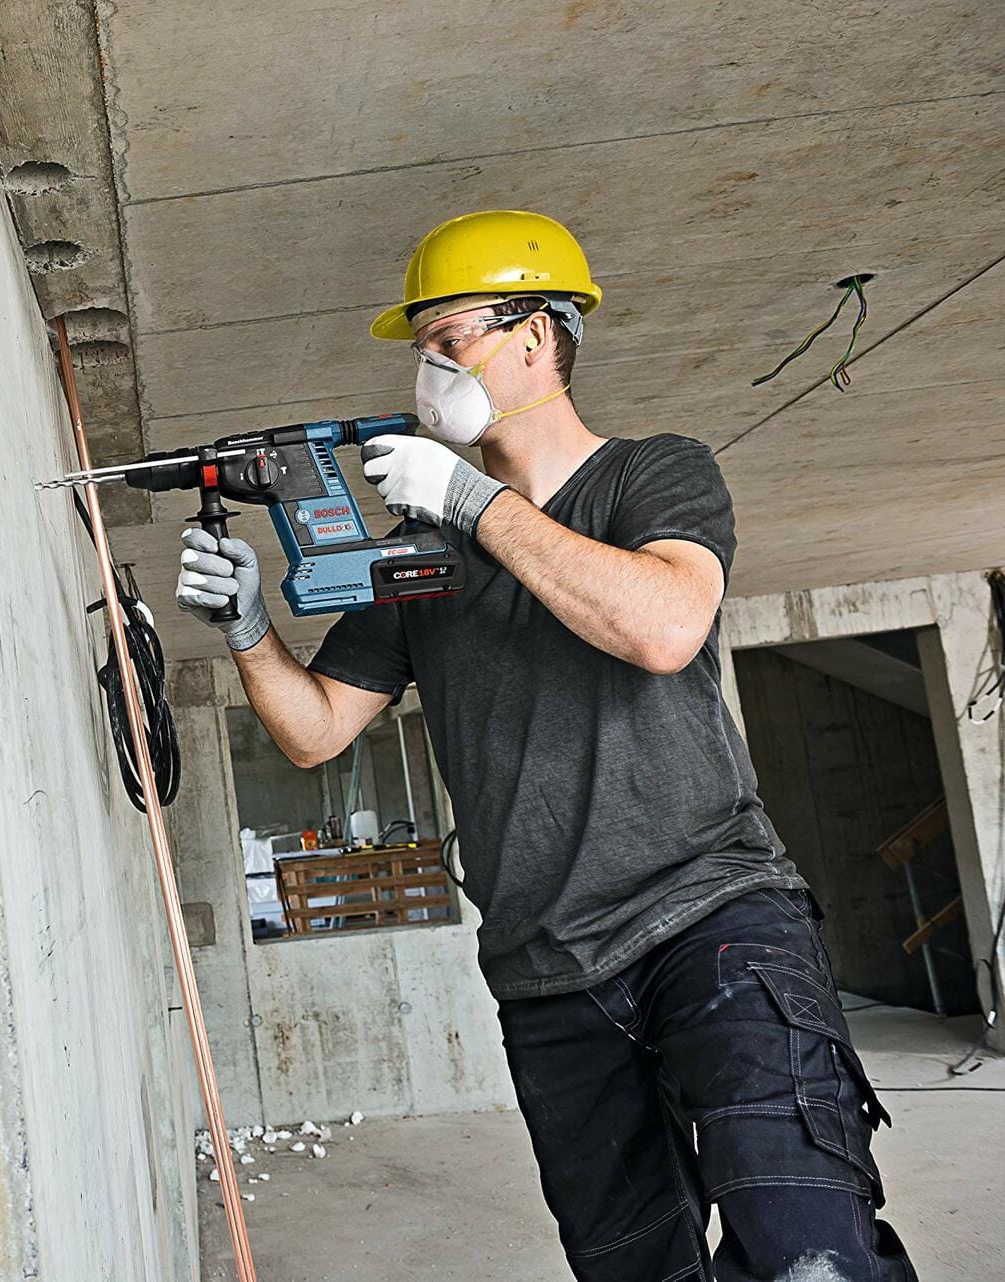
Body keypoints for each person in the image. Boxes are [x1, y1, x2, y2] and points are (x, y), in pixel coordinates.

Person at [172, 210, 915, 1282]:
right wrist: (249, 631)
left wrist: (475, 502)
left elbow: (663, 627)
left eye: (448, 339)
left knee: (809, 1258)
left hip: (708, 915)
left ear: (536, 337)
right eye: (419, 350)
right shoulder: (419, 558)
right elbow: (315, 729)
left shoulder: (654, 477)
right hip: (546, 972)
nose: (429, 373)